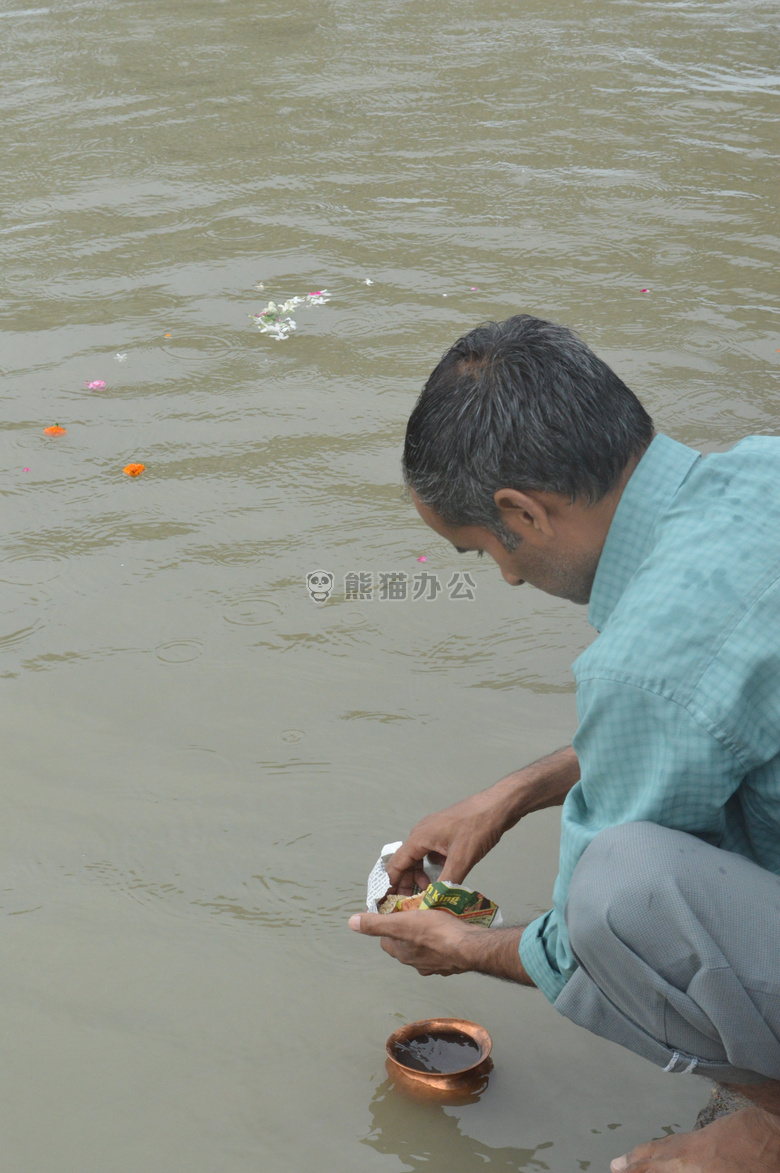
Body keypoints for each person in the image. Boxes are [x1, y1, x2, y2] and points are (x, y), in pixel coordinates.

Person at [348, 315, 780, 1172]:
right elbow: (718, 706)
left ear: (520, 513)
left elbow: (585, 935)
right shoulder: (762, 470)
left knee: (617, 887)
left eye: (480, 549)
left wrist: (466, 946)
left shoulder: (642, 661)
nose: (507, 576)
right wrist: (510, 794)